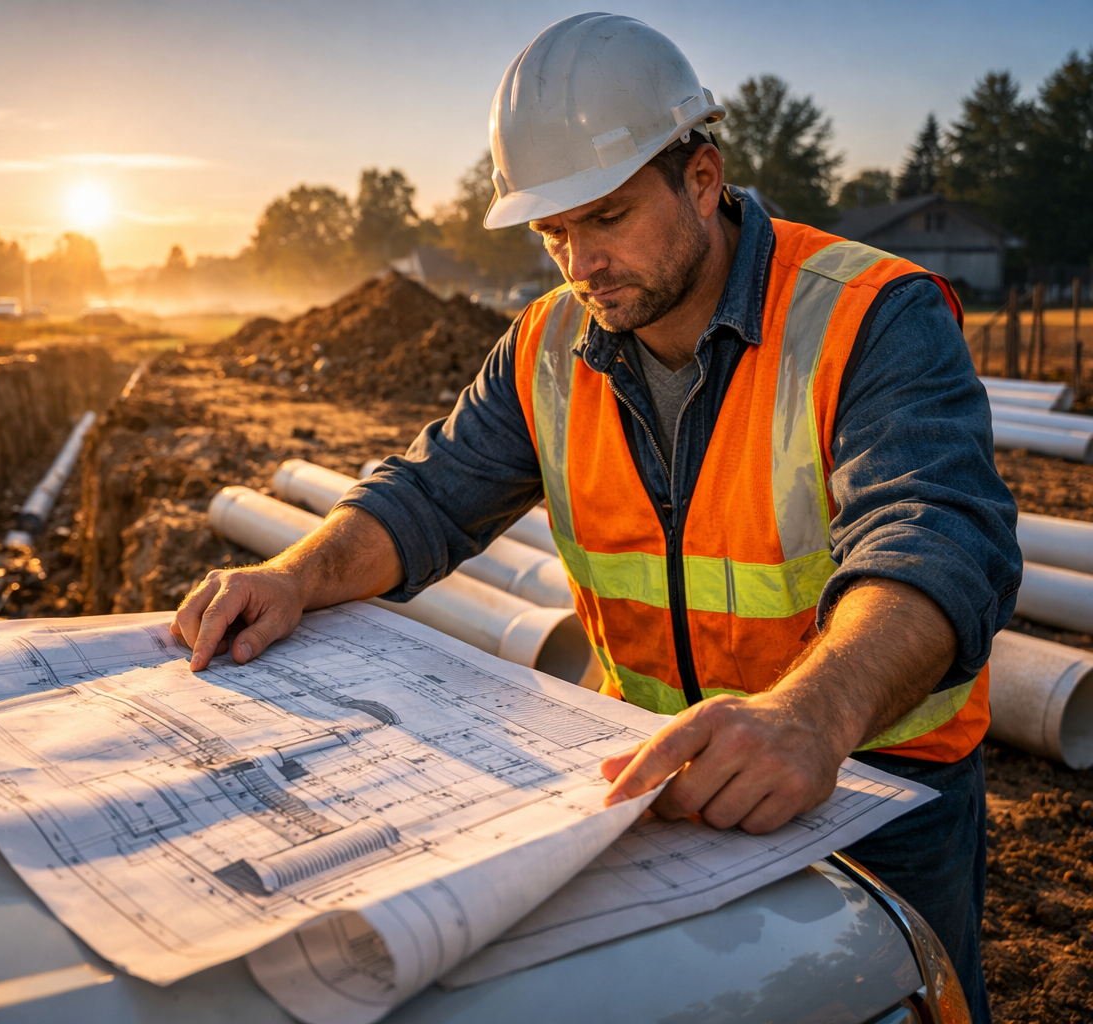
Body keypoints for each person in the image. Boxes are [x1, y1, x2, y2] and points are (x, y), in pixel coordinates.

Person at [173, 14, 1018, 1021]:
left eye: (607, 216)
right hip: (659, 787)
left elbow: (937, 537)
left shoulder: (868, 314)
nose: (580, 263)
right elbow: (430, 493)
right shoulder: (548, 343)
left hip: (871, 780)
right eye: (553, 234)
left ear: (701, 177)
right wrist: (297, 574)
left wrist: (813, 715)